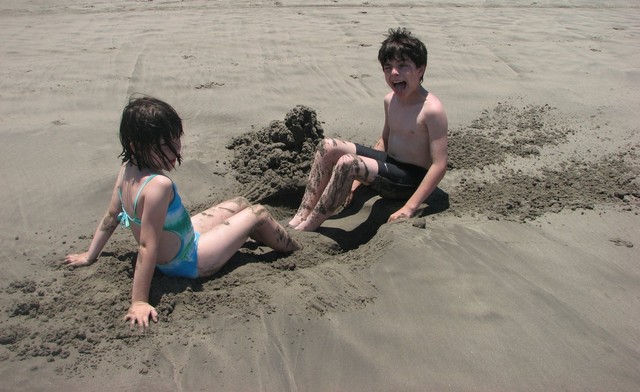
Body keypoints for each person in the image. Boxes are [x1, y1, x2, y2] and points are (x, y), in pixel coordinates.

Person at [64, 96, 300, 331]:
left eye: (176, 139)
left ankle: (247, 236)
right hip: (189, 261)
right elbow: (147, 246)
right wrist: (139, 301)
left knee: (239, 203)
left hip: (184, 237)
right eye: (163, 145)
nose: (175, 150)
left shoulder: (127, 169)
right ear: (136, 146)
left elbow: (111, 216)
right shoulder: (158, 186)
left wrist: (89, 255)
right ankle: (294, 249)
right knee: (257, 213)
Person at [288, 27, 448, 231]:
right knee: (327, 146)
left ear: (420, 69)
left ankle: (309, 227)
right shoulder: (390, 100)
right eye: (388, 67)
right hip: (391, 164)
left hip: (409, 180)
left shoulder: (432, 110)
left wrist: (409, 207)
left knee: (348, 163)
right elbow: (384, 142)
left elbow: (439, 165)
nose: (394, 73)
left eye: (403, 65)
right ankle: (300, 215)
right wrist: (359, 179)